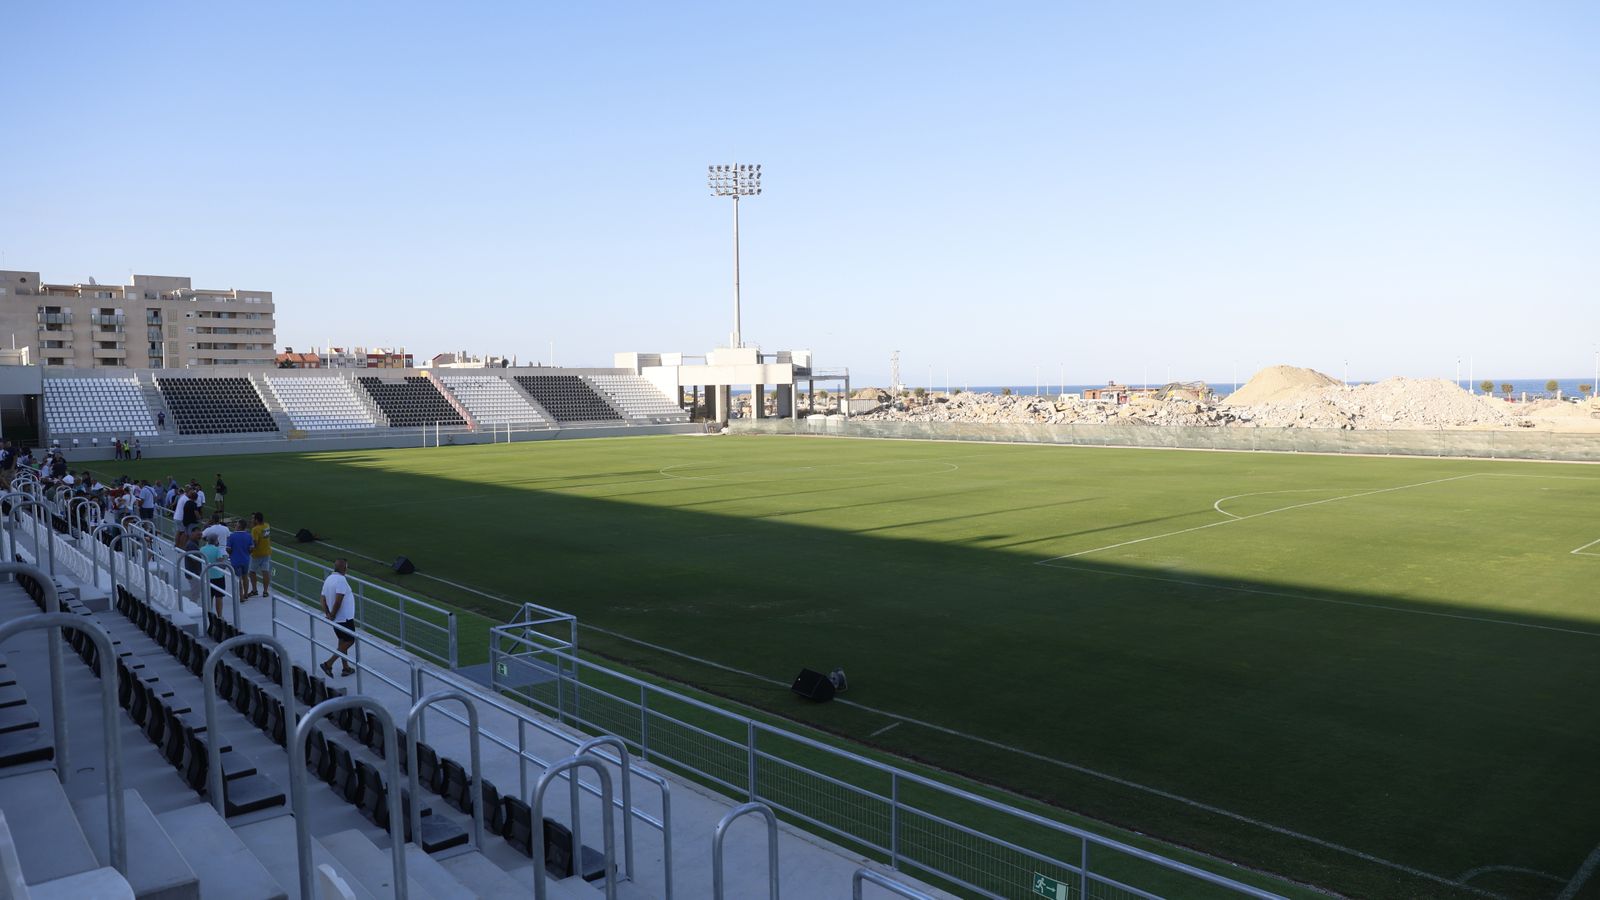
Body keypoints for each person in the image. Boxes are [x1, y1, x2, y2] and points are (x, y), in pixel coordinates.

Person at [320, 559, 356, 677]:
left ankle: (345, 668)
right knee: (350, 640)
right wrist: (333, 614)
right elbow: (338, 599)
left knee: (342, 642)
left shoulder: (329, 579)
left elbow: (322, 599)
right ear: (344, 568)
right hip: (345, 618)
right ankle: (328, 664)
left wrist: (328, 614)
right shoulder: (341, 580)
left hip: (336, 619)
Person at [199, 533, 229, 617]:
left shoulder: (202, 549)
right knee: (219, 597)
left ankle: (209, 614)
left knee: (210, 596)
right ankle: (219, 616)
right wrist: (225, 558)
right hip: (218, 576)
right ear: (216, 541)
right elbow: (221, 561)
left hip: (208, 575)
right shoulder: (217, 550)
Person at [247, 511, 272, 599]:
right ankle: (265, 591)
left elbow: (255, 543)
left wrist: (249, 550)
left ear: (256, 520)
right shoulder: (267, 525)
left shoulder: (255, 529)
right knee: (265, 572)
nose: (252, 520)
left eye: (253, 518)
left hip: (257, 554)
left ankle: (254, 590)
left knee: (252, 572)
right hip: (267, 553)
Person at [226, 520, 253, 599]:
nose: (235, 526)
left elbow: (228, 549)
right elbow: (251, 548)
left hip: (235, 560)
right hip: (246, 560)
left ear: (239, 526)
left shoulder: (232, 536)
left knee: (238, 579)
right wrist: (247, 553)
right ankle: (245, 595)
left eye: (236, 525)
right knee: (245, 577)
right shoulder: (249, 536)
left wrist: (232, 553)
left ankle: (241, 596)